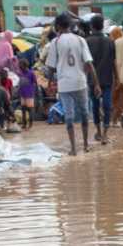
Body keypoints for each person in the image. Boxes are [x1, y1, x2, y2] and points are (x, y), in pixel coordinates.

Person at [43, 13, 99, 155]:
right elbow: (89, 64)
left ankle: (73, 148)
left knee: (69, 116)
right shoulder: (80, 40)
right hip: (80, 82)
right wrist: (96, 84)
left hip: (64, 85)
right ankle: (86, 145)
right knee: (85, 114)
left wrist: (49, 83)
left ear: (58, 26)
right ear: (70, 25)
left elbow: (50, 67)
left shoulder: (55, 42)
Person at [84, 17, 115, 143]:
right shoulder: (110, 41)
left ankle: (98, 131)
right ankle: (105, 134)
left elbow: (85, 63)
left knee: (95, 106)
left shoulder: (87, 41)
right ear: (102, 26)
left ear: (91, 26)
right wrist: (117, 77)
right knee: (107, 106)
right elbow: (114, 62)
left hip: (92, 80)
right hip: (107, 78)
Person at [15, 59, 37, 130]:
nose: (19, 67)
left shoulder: (31, 73)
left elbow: (35, 83)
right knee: (23, 109)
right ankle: (24, 124)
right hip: (22, 94)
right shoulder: (20, 73)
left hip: (29, 94)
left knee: (30, 110)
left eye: (20, 66)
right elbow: (20, 82)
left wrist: (33, 92)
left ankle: (30, 125)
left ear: (25, 65)